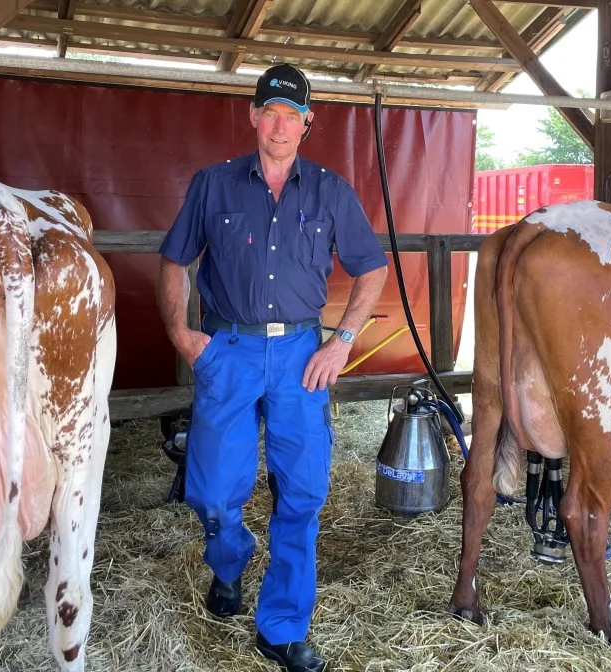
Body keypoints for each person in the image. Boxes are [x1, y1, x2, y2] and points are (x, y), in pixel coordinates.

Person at [156, 63, 388, 672]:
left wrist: (340, 342)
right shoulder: (213, 184)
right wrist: (184, 335)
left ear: (307, 124)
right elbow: (175, 262)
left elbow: (372, 270)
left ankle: (281, 626)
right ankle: (228, 561)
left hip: (301, 359)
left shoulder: (331, 191)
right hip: (228, 351)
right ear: (253, 116)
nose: (280, 126)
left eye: (292, 116)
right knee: (210, 492)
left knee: (303, 494)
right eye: (271, 113)